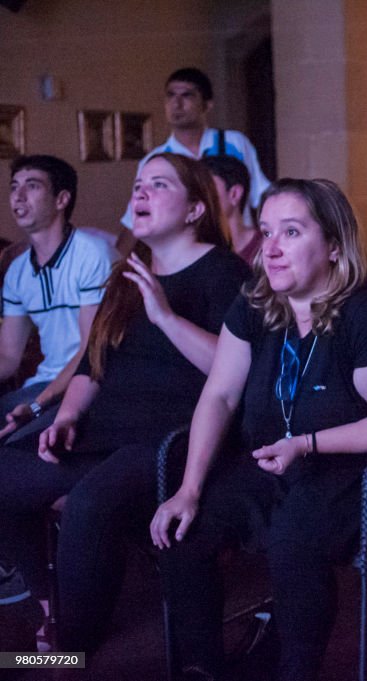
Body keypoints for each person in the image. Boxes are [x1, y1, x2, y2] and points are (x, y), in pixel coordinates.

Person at [150, 178, 367, 681]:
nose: (270, 249)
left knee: (293, 544)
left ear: (335, 247)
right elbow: (220, 394)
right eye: (266, 232)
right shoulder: (257, 305)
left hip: (358, 470)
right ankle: (203, 669)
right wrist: (188, 490)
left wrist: (307, 443)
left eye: (291, 233)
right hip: (273, 460)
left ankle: (292, 670)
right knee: (186, 529)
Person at [0, 152, 249, 651]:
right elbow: (94, 365)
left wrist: (166, 318)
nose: (140, 192)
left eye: (158, 185)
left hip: (173, 435)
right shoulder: (127, 274)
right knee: (6, 473)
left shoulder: (223, 273)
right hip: (105, 428)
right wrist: (67, 414)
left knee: (90, 504)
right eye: (139, 184)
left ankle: (71, 649)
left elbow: (234, 372)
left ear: (196, 209)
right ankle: (51, 602)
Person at [0, 155, 116, 441]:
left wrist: (40, 403)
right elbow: (8, 358)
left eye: (32, 186)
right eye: (14, 187)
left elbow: (92, 351)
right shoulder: (17, 271)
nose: (19, 196)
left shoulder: (92, 254)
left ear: (61, 199)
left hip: (89, 385)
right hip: (40, 385)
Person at [120, 67, 270, 229]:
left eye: (187, 96)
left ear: (207, 104)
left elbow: (261, 196)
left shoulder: (234, 143)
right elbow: (135, 220)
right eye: (171, 95)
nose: (176, 104)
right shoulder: (156, 160)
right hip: (185, 250)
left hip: (236, 248)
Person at [202, 154, 261, 266]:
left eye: (206, 190)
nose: (198, 199)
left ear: (234, 194)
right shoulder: (196, 252)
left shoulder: (266, 248)